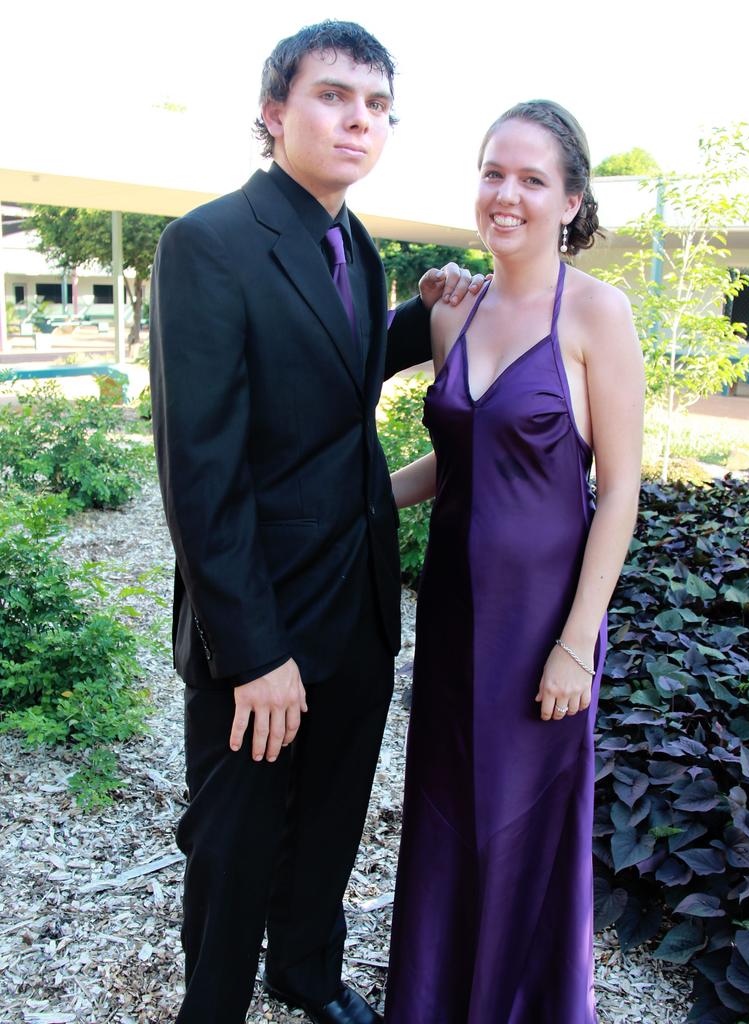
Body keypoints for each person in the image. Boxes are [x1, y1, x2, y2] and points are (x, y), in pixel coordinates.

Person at [150, 20, 483, 1024]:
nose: (359, 120)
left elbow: (329, 374)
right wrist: (252, 654)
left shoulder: (353, 239)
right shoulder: (206, 244)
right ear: (274, 111)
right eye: (336, 96)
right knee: (237, 834)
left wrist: (427, 319)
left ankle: (305, 973)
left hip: (360, 596)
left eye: (377, 106)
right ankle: (211, 1005)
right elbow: (199, 471)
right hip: (260, 617)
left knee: (333, 816)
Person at [384, 100, 645, 1023]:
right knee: (450, 818)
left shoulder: (599, 313)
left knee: (526, 833)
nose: (507, 194)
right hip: (454, 616)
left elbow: (618, 491)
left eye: (533, 179)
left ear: (572, 200)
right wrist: (354, 498)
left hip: (544, 628)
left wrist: (578, 643)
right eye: (494, 172)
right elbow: (459, 462)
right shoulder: (461, 304)